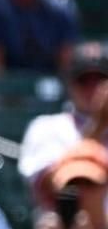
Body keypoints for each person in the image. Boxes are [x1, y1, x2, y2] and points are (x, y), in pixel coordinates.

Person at [18, 41, 108, 204]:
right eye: (84, 80)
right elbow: (53, 190)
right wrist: (98, 126)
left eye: (100, 80)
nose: (93, 89)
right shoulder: (47, 127)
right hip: (72, 227)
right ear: (69, 84)